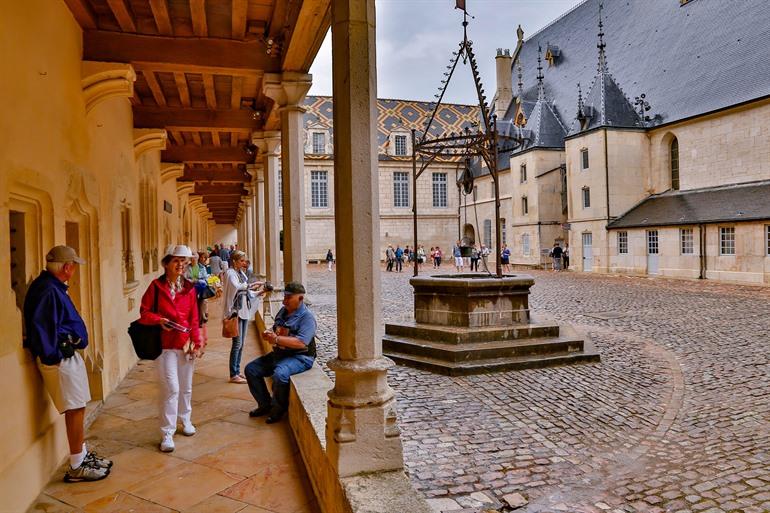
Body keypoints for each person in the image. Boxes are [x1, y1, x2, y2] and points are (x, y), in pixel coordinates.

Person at [23, 246, 112, 482]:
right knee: (74, 409)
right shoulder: (47, 291)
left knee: (79, 405)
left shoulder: (52, 287)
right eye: (73, 265)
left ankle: (81, 455)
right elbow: (43, 330)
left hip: (66, 357)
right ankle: (76, 466)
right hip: (61, 360)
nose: (74, 269)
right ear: (66, 267)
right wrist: (57, 355)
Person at [139, 245, 204, 453]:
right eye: (176, 261)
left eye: (184, 262)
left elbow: (194, 318)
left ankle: (185, 420)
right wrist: (159, 320)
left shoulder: (189, 288)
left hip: (185, 344)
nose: (181, 265)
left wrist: (197, 342)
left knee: (186, 387)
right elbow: (144, 313)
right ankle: (167, 432)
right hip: (165, 345)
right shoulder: (156, 287)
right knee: (172, 389)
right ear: (166, 263)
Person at [245, 282, 316, 424]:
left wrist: (277, 339)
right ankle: (265, 404)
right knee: (251, 369)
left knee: (280, 375)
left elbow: (302, 342)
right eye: (285, 296)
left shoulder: (307, 317)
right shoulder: (283, 311)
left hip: (300, 357)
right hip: (280, 354)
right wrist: (269, 333)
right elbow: (276, 328)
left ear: (300, 298)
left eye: (289, 297)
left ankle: (278, 409)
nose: (284, 301)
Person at [222, 251, 262, 383]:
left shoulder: (240, 273)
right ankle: (233, 373)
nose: (245, 263)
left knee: (242, 343)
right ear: (235, 261)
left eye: (245, 261)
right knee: (237, 343)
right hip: (236, 311)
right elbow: (236, 287)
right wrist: (249, 285)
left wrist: (258, 290)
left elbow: (245, 291)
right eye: (242, 261)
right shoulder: (230, 273)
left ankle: (237, 371)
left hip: (244, 310)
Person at [185, 251, 210, 326]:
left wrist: (199, 280)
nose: (193, 260)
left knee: (201, 304)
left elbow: (206, 278)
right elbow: (185, 278)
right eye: (192, 259)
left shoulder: (201, 267)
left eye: (195, 259)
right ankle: (194, 320)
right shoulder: (187, 268)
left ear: (197, 259)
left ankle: (200, 321)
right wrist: (192, 281)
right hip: (191, 289)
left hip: (201, 289)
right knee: (193, 305)